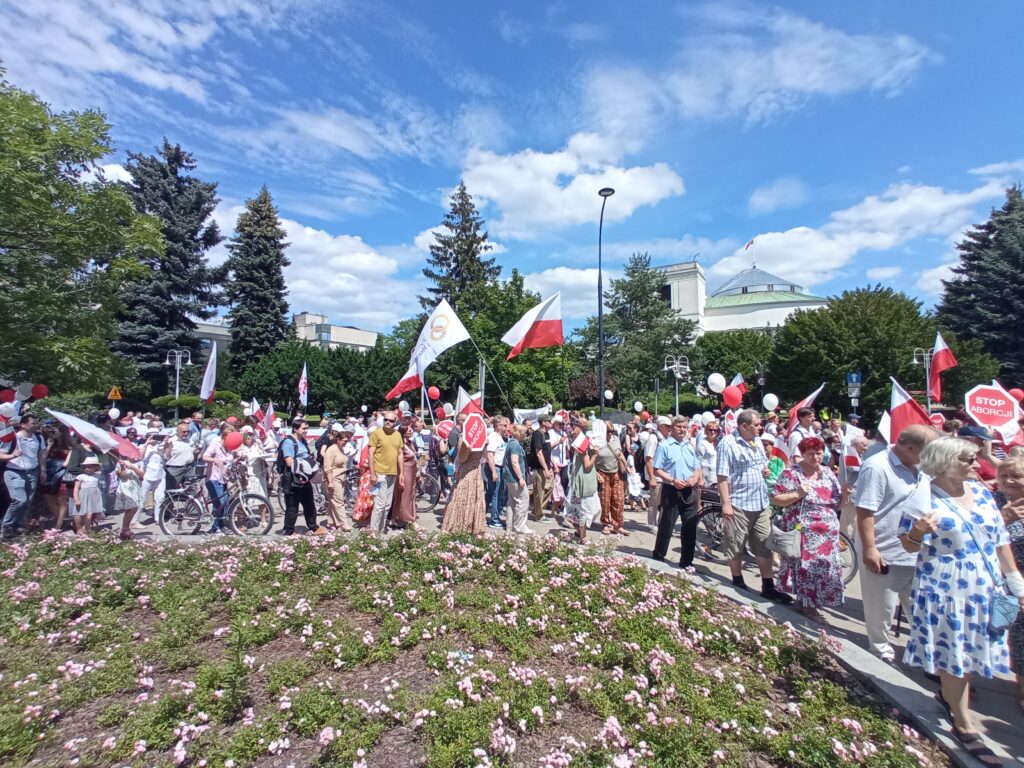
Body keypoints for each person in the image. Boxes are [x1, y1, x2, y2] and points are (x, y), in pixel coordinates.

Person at [898, 438, 1022, 766]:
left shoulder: (981, 493)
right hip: (944, 589)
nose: (974, 464)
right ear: (944, 462)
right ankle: (963, 723)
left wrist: (1016, 584)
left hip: (985, 588)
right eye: (966, 460)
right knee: (956, 656)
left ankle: (950, 698)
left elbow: (1000, 541)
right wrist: (919, 532)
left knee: (973, 653)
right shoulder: (922, 497)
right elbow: (907, 545)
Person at [717, 409, 793, 604]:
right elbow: (722, 476)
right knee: (735, 545)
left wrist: (765, 470)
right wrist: (726, 504)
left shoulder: (757, 442)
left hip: (760, 503)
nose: (761, 427)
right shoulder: (728, 443)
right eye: (757, 424)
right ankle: (737, 581)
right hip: (738, 503)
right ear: (744, 426)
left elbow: (761, 465)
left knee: (764, 545)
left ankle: (768, 587)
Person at [771, 436, 850, 621]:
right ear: (803, 454)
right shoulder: (792, 473)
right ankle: (810, 608)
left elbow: (837, 505)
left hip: (828, 535)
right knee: (808, 570)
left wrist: (845, 496)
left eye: (819, 453)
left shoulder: (828, 473)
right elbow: (776, 498)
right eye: (810, 454)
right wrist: (798, 494)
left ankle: (804, 602)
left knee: (824, 570)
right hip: (805, 533)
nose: (815, 457)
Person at [651, 415, 702, 568]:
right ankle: (658, 557)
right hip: (672, 490)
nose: (682, 430)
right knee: (667, 525)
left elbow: (697, 467)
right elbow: (657, 469)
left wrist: (695, 477)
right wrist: (672, 480)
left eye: (684, 427)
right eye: (679, 427)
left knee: (690, 527)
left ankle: (687, 561)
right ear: (672, 428)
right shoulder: (664, 446)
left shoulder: (688, 446)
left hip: (689, 490)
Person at [995, 456, 1024, 712]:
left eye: (1016, 476)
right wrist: (1003, 518)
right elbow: (983, 537)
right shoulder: (993, 503)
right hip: (1001, 581)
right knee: (1005, 629)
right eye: (1004, 476)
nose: (1009, 481)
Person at [1, 414, 47, 539]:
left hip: (32, 471)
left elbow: (41, 454)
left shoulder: (38, 437)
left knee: (28, 501)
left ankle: (19, 526)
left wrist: (43, 470)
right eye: (33, 423)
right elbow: (1, 454)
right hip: (14, 472)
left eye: (36, 423)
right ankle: (7, 525)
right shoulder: (12, 438)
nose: (35, 426)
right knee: (20, 500)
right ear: (23, 424)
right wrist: (12, 456)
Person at [279, 418, 325, 536]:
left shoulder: (303, 441)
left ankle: (313, 527)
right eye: (304, 428)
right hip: (293, 478)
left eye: (307, 428)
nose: (306, 431)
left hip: (304, 478)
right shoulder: (289, 442)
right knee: (292, 506)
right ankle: (288, 530)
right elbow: (289, 462)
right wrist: (304, 464)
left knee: (309, 503)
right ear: (295, 428)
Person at [441, 420, 487, 535]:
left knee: (475, 498)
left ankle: (472, 527)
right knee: (463, 497)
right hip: (466, 472)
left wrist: (485, 445)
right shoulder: (463, 440)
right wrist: (467, 449)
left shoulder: (482, 440)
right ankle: (458, 525)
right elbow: (462, 459)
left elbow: (483, 458)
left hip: (476, 471)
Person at [564, 418, 600, 544]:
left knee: (583, 508)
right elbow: (587, 465)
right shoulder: (583, 442)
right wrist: (595, 454)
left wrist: (596, 473)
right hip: (583, 480)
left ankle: (579, 532)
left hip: (580, 478)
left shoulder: (579, 440)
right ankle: (582, 537)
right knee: (586, 509)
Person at [367, 411, 403, 535]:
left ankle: (381, 530)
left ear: (395, 422)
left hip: (392, 473)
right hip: (379, 472)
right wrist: (372, 473)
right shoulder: (376, 433)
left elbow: (400, 454)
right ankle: (374, 531)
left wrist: (401, 473)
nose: (388, 422)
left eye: (391, 421)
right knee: (380, 504)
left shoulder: (397, 435)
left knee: (387, 504)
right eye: (386, 420)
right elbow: (370, 454)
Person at [596, 420, 629, 536]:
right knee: (605, 500)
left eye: (612, 431)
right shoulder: (597, 442)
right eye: (607, 431)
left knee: (618, 499)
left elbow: (620, 455)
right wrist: (596, 474)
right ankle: (605, 524)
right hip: (602, 473)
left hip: (616, 472)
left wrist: (627, 467)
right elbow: (591, 458)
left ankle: (618, 525)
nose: (610, 434)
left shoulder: (616, 440)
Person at [202, 424, 236, 535]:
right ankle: (216, 527)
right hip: (213, 478)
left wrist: (239, 457)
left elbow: (229, 460)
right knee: (220, 503)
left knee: (225, 503)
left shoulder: (230, 447)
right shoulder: (215, 444)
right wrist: (215, 460)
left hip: (224, 477)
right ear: (225, 437)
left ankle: (219, 526)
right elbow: (205, 457)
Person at [321, 429, 353, 532]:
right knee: (339, 501)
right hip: (333, 478)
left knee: (333, 501)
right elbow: (327, 467)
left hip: (340, 477)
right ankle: (344, 523)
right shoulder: (331, 450)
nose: (346, 443)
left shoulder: (341, 449)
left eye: (347, 441)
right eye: (344, 441)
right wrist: (330, 482)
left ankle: (331, 522)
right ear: (338, 440)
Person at [41, 422, 71, 532]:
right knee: (49, 499)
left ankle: (58, 525)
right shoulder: (48, 443)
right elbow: (43, 457)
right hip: (49, 473)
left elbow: (69, 460)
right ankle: (61, 520)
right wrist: (49, 445)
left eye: (55, 431)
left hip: (62, 474)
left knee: (61, 499)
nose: (53, 433)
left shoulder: (69, 445)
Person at [390, 424, 419, 530]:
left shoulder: (410, 443)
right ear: (403, 432)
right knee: (404, 495)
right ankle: (410, 519)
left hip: (412, 472)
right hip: (404, 471)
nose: (411, 431)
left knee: (410, 494)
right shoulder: (400, 444)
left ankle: (397, 518)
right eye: (409, 430)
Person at [503, 424, 531, 534]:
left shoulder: (511, 443)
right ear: (518, 433)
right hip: (515, 478)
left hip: (509, 477)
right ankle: (519, 527)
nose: (525, 435)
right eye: (524, 433)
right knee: (523, 500)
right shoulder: (515, 445)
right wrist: (521, 478)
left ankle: (510, 527)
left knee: (511, 502)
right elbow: (515, 462)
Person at [645, 417, 671, 526]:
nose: (670, 428)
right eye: (668, 426)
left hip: (665, 475)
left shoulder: (667, 438)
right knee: (654, 503)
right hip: (656, 476)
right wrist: (652, 477)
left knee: (665, 502)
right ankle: (652, 524)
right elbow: (648, 458)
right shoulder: (653, 438)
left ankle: (662, 523)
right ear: (661, 426)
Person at [484, 417, 509, 529]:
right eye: (504, 425)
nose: (506, 428)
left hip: (500, 467)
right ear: (498, 426)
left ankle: (483, 514)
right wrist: (494, 472)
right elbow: (490, 455)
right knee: (496, 494)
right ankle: (494, 520)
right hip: (495, 468)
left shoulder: (500, 438)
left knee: (493, 494)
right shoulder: (493, 437)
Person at [528, 415, 554, 521]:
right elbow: (539, 453)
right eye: (549, 421)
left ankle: (537, 510)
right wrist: (545, 469)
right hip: (539, 467)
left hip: (547, 466)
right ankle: (538, 515)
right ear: (543, 422)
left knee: (549, 488)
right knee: (539, 491)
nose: (551, 422)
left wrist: (551, 465)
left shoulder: (546, 434)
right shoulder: (538, 434)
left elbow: (547, 450)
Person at [113, 455, 144, 540]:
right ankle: (125, 529)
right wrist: (123, 466)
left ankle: (125, 530)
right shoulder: (120, 462)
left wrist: (133, 467)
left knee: (132, 509)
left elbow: (141, 475)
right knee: (132, 507)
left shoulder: (140, 463)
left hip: (136, 487)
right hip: (125, 488)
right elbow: (123, 476)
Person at [72, 456, 104, 535]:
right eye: (85, 467)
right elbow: (76, 488)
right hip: (84, 495)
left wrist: (98, 465)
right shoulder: (81, 476)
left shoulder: (96, 475)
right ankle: (79, 528)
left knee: (90, 514)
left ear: (95, 467)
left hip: (93, 496)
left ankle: (87, 528)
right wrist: (76, 499)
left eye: (90, 467)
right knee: (80, 513)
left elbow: (101, 469)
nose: (87, 468)